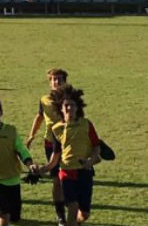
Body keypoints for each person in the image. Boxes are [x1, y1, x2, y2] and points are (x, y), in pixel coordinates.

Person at [40, 86, 102, 226]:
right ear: (61, 109)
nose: (69, 108)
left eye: (72, 105)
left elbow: (96, 147)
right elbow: (56, 155)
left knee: (84, 214)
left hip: (85, 172)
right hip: (67, 172)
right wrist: (44, 168)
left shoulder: (86, 124)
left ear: (77, 107)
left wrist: (90, 161)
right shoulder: (56, 129)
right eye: (66, 105)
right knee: (72, 207)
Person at [25, 68, 69, 226]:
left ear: (65, 82)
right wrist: (31, 135)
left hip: (69, 143)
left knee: (69, 178)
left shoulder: (71, 100)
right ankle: (60, 215)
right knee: (56, 179)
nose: (56, 82)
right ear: (50, 83)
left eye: (59, 79)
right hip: (51, 142)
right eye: (53, 79)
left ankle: (72, 206)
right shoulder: (44, 100)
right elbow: (39, 117)